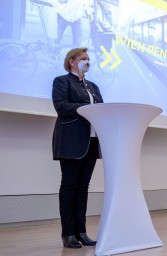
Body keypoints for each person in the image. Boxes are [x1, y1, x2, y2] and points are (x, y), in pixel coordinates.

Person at [52, 47, 103, 248]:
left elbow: (101, 108)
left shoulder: (93, 86)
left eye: (88, 58)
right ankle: (69, 234)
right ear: (72, 62)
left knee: (83, 187)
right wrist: (87, 109)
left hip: (91, 141)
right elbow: (61, 106)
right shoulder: (61, 81)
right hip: (71, 141)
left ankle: (81, 232)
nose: (87, 61)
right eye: (83, 58)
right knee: (70, 186)